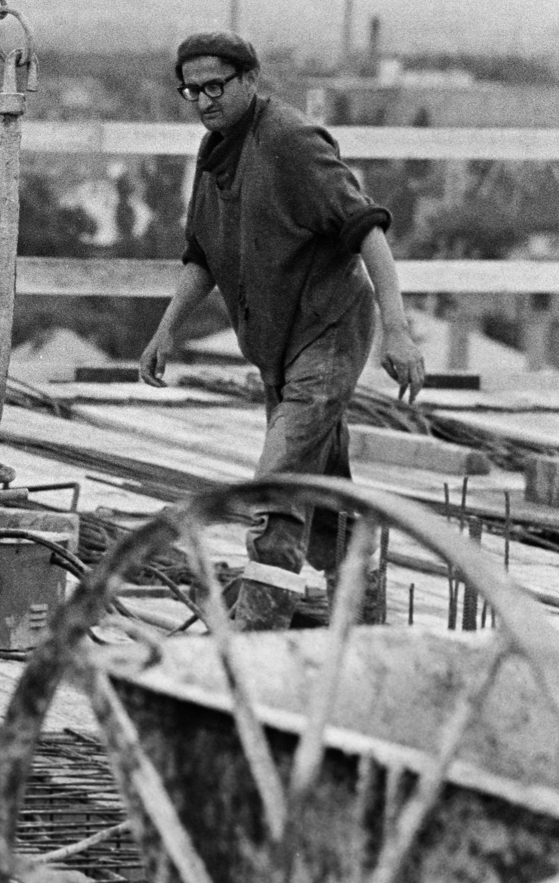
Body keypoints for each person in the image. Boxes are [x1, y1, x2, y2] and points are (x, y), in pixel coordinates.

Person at [138, 31, 425, 631]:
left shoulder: (291, 142)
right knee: (324, 488)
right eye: (190, 90)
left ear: (249, 80)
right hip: (278, 345)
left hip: (328, 329)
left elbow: (366, 228)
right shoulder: (216, 150)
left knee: (276, 483)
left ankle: (256, 632)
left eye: (215, 85)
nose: (203, 100)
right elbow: (203, 255)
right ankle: (362, 620)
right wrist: (168, 330)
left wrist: (397, 329)